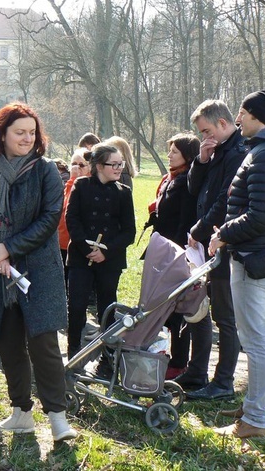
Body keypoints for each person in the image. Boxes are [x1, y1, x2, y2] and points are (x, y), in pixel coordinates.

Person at [0, 102, 77, 442]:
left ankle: (57, 419)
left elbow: (48, 219)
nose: (27, 138)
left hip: (37, 271)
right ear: (3, 134)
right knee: (8, 344)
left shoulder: (45, 170)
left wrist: (9, 248)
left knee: (43, 343)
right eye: (20, 132)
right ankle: (20, 414)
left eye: (32, 132)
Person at [209, 88, 265, 438]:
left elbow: (259, 216)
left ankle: (256, 420)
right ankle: (252, 407)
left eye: (242, 112)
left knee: (257, 341)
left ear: (256, 115)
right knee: (254, 337)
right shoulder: (263, 151)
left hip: (254, 257)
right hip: (252, 254)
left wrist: (224, 234)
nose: (238, 118)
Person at [182, 100, 248, 401]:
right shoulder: (216, 150)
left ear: (223, 123)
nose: (205, 136)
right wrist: (202, 159)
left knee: (224, 316)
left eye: (207, 131)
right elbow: (194, 189)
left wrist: (199, 229)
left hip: (225, 243)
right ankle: (197, 372)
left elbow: (225, 201)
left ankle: (223, 382)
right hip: (208, 244)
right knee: (200, 310)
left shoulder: (238, 153)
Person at [65, 143, 135, 374]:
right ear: (98, 166)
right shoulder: (81, 186)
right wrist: (86, 249)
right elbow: (72, 219)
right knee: (76, 305)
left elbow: (129, 231)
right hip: (80, 257)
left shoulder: (124, 193)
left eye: (120, 164)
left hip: (109, 260)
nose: (118, 168)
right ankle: (74, 352)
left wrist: (106, 251)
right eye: (113, 164)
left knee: (107, 307)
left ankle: (107, 357)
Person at [144, 133, 200, 379]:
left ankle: (179, 361)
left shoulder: (187, 181)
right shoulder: (172, 178)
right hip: (163, 248)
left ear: (187, 155)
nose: (169, 156)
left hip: (175, 253)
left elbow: (185, 220)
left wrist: (177, 255)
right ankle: (166, 350)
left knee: (177, 309)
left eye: (174, 152)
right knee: (163, 306)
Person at [58, 149, 91, 287]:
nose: (77, 168)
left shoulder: (89, 184)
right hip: (62, 240)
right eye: (73, 164)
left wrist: (73, 179)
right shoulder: (68, 184)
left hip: (78, 242)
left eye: (81, 165)